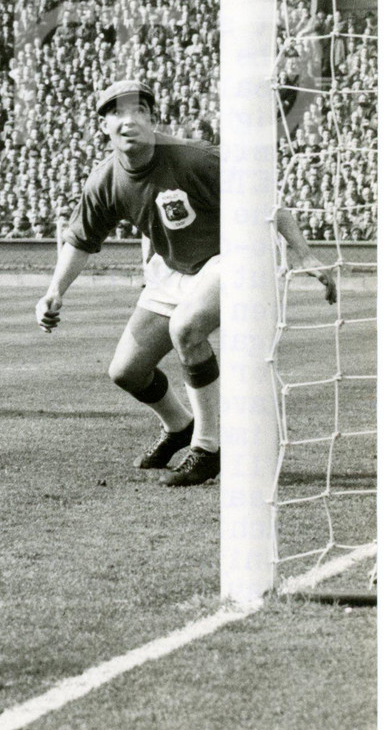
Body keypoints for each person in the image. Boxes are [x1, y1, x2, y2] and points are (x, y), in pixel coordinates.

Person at [35, 79, 336, 487]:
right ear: (103, 126)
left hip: (233, 255)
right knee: (126, 371)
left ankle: (208, 448)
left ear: (153, 118)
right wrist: (54, 292)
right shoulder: (104, 180)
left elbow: (266, 197)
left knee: (187, 329)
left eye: (139, 110)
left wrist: (303, 253)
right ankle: (179, 425)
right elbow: (80, 240)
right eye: (117, 113)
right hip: (175, 267)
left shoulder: (195, 158)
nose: (128, 120)